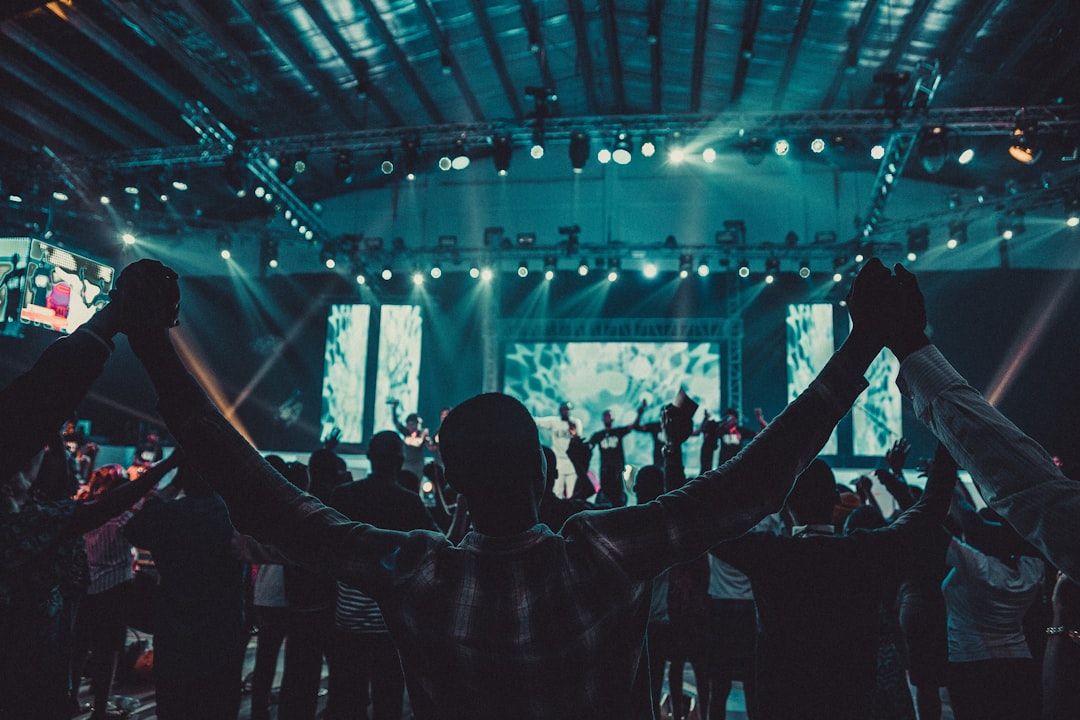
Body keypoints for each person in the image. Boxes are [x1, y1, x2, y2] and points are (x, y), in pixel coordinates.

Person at [120, 257, 909, 718]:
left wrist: (150, 342)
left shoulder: (415, 568)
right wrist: (866, 341)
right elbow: (754, 484)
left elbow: (264, 497)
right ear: (541, 470)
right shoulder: (604, 552)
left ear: (450, 483)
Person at [707, 446, 954, 720]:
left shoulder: (771, 556)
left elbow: (701, 524)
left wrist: (690, 451)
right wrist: (948, 442)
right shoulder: (864, 553)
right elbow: (931, 510)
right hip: (849, 704)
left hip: (784, 705)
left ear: (785, 503)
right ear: (835, 498)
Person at [122, 459, 248, 720]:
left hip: (174, 636)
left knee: (174, 709)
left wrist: (170, 487)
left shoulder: (167, 514)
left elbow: (132, 529)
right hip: (221, 636)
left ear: (183, 480)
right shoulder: (231, 517)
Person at [326, 431, 439, 720]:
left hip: (347, 617)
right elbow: (437, 547)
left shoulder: (343, 495)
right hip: (392, 622)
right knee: (388, 702)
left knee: (347, 703)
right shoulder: (410, 502)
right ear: (400, 462)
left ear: (369, 457)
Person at [587, 401, 645, 507]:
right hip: (605, 470)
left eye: (609, 416)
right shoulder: (598, 435)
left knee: (617, 495)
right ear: (603, 419)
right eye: (606, 416)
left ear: (613, 418)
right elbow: (589, 446)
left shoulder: (618, 432)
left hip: (617, 469)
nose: (607, 418)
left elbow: (633, 426)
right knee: (606, 494)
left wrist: (640, 413)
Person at [533, 402, 584, 499]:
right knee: (557, 492)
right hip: (559, 462)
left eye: (567, 409)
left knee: (572, 494)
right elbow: (538, 421)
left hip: (572, 463)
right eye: (563, 409)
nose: (565, 412)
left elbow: (578, 437)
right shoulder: (555, 421)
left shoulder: (576, 422)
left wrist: (572, 429)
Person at [391, 401, 429, 480]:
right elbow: (396, 422)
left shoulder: (422, 434)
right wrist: (394, 408)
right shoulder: (406, 433)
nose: (411, 427)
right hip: (406, 464)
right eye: (409, 425)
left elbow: (428, 445)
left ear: (417, 425)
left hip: (418, 466)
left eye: (413, 424)